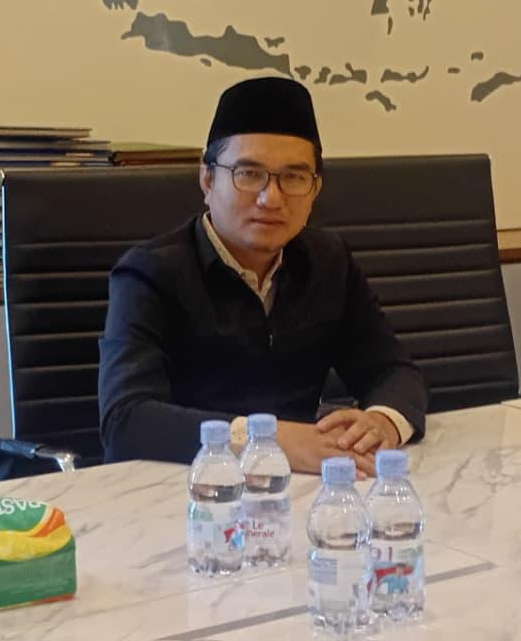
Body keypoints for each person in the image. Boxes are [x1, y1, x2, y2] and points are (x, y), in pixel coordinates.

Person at [98, 77, 427, 474]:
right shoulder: (149, 272)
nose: (271, 198)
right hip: (186, 488)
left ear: (315, 189)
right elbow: (126, 420)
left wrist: (382, 422)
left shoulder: (329, 260)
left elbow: (392, 369)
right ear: (207, 180)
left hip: (306, 484)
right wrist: (265, 440)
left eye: (294, 177)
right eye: (249, 174)